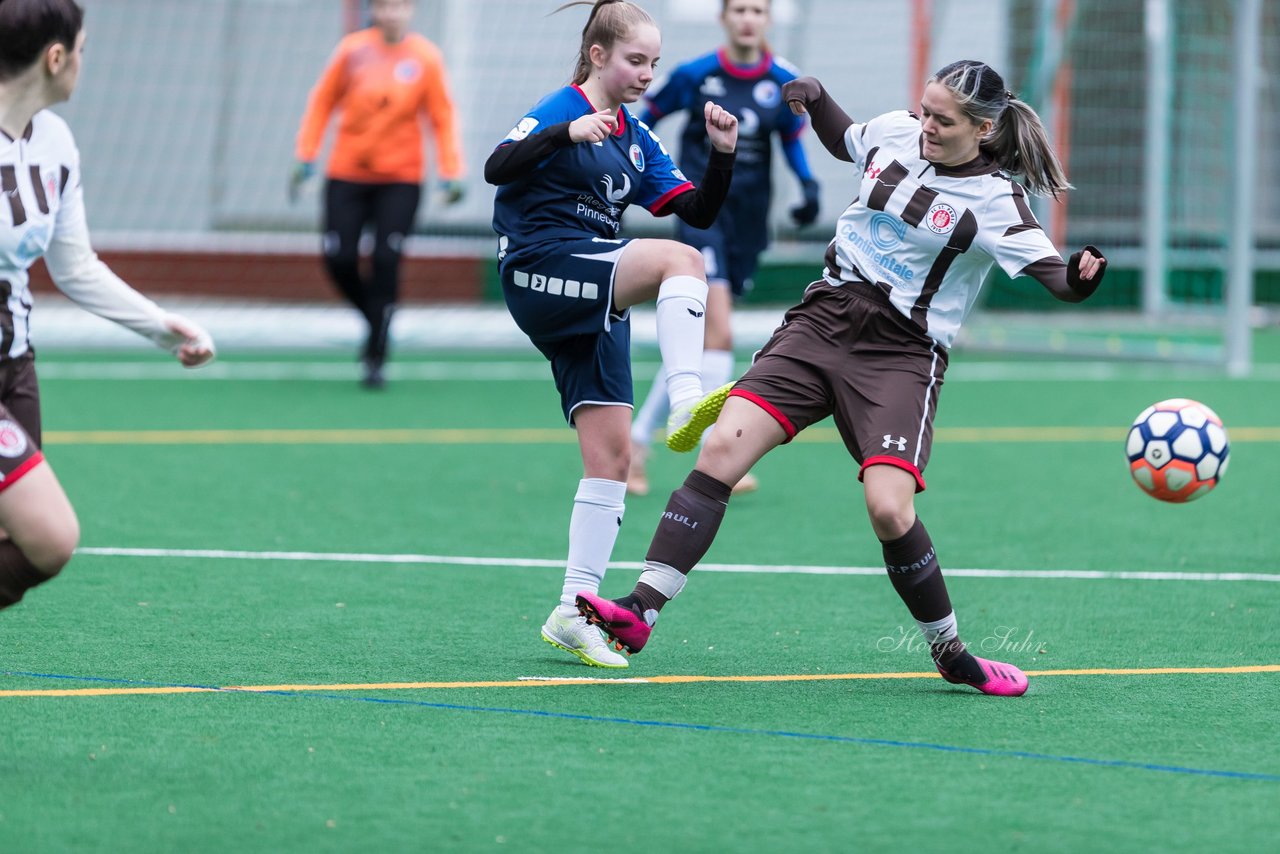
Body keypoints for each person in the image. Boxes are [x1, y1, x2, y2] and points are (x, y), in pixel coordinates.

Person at [577, 60, 1108, 697]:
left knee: (889, 508)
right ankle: (639, 611)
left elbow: (1055, 277)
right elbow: (846, 139)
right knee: (721, 448)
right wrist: (818, 97)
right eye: (924, 110)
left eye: (942, 120)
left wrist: (1079, 277)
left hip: (901, 354)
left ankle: (951, 652)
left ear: (985, 129)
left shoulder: (997, 202)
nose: (925, 126)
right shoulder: (896, 132)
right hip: (821, 320)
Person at [486, 0, 738, 669]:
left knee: (613, 459)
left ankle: (573, 610)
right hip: (541, 267)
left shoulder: (638, 137)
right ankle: (688, 397)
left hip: (593, 286)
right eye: (635, 60)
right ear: (598, 56)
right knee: (681, 263)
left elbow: (697, 210)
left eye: (654, 63)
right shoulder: (563, 107)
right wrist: (565, 136)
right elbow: (498, 165)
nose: (647, 73)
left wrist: (722, 156)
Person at [0, 0, 215, 612]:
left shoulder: (56, 144)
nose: (84, 66)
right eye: (84, 51)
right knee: (51, 537)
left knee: (16, 539)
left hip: (16, 368)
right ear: (55, 56)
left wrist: (160, 328)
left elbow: (74, 267)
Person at [627, 0, 820, 498]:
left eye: (757, 9)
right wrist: (642, 175)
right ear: (724, 18)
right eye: (739, 9)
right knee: (719, 328)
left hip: (748, 222)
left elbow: (792, 139)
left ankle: (643, 444)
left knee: (706, 342)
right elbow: (645, 118)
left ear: (767, 18)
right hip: (703, 212)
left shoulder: (783, 79)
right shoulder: (695, 75)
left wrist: (808, 186)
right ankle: (707, 450)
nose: (748, 18)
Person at [292, 0, 464, 389]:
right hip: (347, 174)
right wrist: (306, 154)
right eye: (384, 6)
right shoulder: (352, 51)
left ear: (411, 10)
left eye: (399, 6)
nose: (391, 14)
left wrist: (451, 171)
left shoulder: (426, 58)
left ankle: (376, 355)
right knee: (339, 258)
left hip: (401, 179)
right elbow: (322, 102)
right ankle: (377, 318)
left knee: (387, 258)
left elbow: (442, 116)